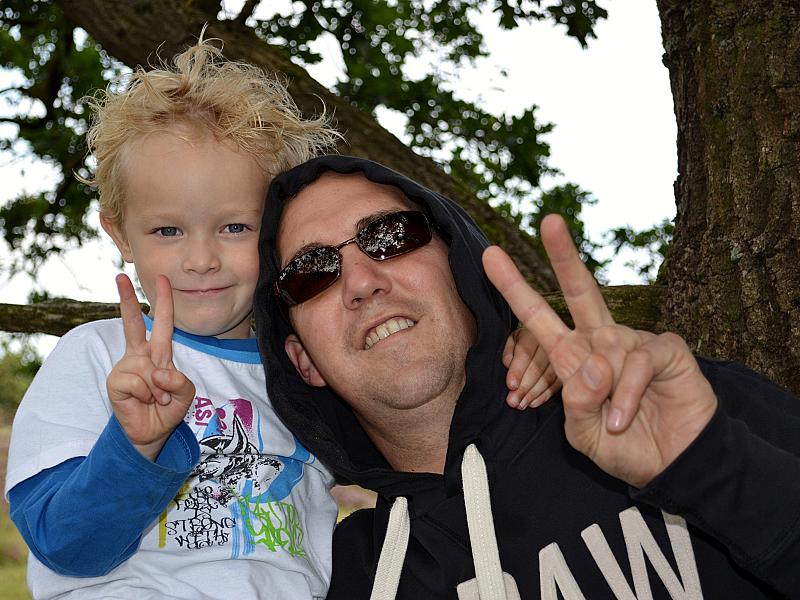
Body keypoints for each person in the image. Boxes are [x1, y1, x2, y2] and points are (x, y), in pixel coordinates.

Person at [4, 38, 554, 600]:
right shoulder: (97, 357)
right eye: (167, 230)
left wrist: (522, 354)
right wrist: (135, 448)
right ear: (120, 233)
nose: (201, 258)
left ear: (273, 237)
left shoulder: (306, 368)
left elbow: (424, 434)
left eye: (234, 227)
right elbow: (64, 545)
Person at [254, 154, 800, 599]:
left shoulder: (676, 408)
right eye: (310, 273)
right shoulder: (348, 577)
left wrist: (711, 468)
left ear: (459, 267)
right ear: (303, 361)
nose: (361, 282)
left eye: (390, 235)